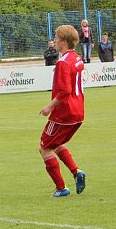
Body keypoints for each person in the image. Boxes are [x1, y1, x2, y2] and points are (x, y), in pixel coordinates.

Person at [39, 25, 87, 198]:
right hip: (78, 112)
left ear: (64, 42)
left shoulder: (63, 62)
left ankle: (61, 188)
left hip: (64, 114)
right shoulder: (77, 58)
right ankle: (76, 172)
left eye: (57, 38)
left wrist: (48, 107)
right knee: (56, 143)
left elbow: (65, 91)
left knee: (44, 148)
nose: (55, 41)